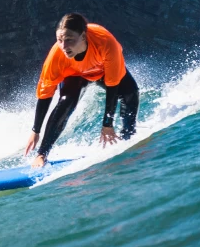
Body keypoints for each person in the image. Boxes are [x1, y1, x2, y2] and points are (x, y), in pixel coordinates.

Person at [24, 13, 140, 167]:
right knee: (66, 101)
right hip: (74, 75)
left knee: (130, 93)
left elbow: (113, 85)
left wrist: (107, 124)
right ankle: (42, 155)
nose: (64, 46)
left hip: (102, 71)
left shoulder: (105, 42)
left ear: (83, 36)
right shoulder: (56, 56)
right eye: (59, 40)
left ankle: (128, 137)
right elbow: (45, 95)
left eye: (69, 40)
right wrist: (35, 130)